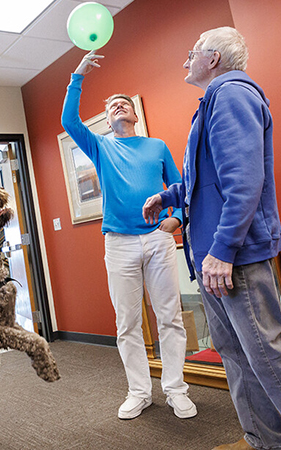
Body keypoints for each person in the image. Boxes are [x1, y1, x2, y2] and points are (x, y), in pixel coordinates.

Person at [143, 27, 281, 450]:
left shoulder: (232, 94)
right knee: (237, 356)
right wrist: (166, 196)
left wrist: (222, 250)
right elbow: (207, 179)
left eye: (192, 53)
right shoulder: (213, 101)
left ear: (213, 58)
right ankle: (265, 442)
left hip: (234, 257)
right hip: (215, 259)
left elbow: (244, 181)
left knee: (267, 355)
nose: (186, 60)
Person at [62, 51, 197, 420]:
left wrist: (177, 220)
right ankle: (139, 391)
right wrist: (78, 75)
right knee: (128, 324)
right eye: (113, 107)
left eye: (124, 104)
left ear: (134, 115)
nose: (119, 107)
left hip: (158, 240)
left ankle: (175, 389)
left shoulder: (156, 146)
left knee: (169, 317)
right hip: (118, 244)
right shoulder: (101, 147)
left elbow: (181, 186)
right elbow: (69, 120)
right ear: (108, 121)